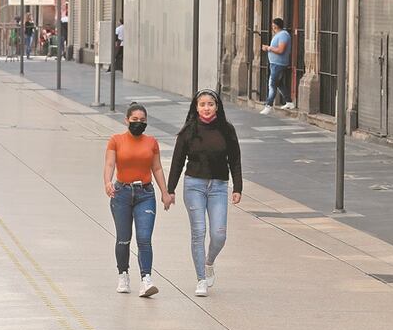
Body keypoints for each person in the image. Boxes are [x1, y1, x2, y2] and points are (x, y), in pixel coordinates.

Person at [167, 90, 243, 297]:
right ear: (196, 107)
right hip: (194, 186)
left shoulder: (226, 130)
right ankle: (201, 279)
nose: (206, 108)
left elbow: (235, 160)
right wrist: (170, 189)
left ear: (217, 106)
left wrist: (237, 187)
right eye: (202, 104)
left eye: (210, 104)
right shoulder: (188, 131)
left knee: (219, 235)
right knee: (199, 232)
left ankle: (209, 262)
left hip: (218, 187)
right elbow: (177, 161)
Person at [104, 103, 174, 297]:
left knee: (144, 238)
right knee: (124, 238)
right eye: (134, 120)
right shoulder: (116, 140)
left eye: (142, 120)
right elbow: (109, 164)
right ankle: (123, 274)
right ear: (126, 120)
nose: (138, 123)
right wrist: (108, 182)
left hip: (145, 193)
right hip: (122, 193)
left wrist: (165, 192)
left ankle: (146, 279)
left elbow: (157, 168)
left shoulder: (151, 142)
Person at [260, 17, 295, 114]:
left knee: (272, 84)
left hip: (278, 64)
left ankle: (269, 105)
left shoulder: (283, 35)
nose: (272, 27)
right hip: (275, 63)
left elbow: (280, 50)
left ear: (276, 26)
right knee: (279, 83)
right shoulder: (279, 35)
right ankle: (289, 102)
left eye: (273, 25)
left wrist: (268, 48)